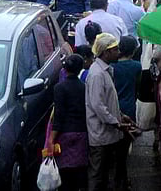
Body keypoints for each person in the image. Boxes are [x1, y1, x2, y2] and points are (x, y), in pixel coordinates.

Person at [85, 33, 132, 191]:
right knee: (97, 174)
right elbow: (98, 105)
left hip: (108, 133)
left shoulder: (104, 70)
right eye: (115, 50)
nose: (119, 52)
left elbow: (108, 101)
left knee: (104, 174)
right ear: (105, 52)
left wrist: (120, 116)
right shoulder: (97, 74)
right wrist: (116, 122)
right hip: (100, 134)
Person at [48, 54, 89, 191]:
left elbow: (58, 116)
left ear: (65, 69)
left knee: (65, 173)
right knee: (80, 171)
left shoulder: (59, 88)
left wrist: (51, 139)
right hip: (82, 133)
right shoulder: (84, 87)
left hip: (64, 134)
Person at [111, 35, 141, 190]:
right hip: (129, 109)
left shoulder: (111, 67)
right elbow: (138, 87)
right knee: (124, 148)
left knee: (114, 148)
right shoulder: (136, 67)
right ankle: (121, 180)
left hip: (113, 109)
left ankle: (117, 179)